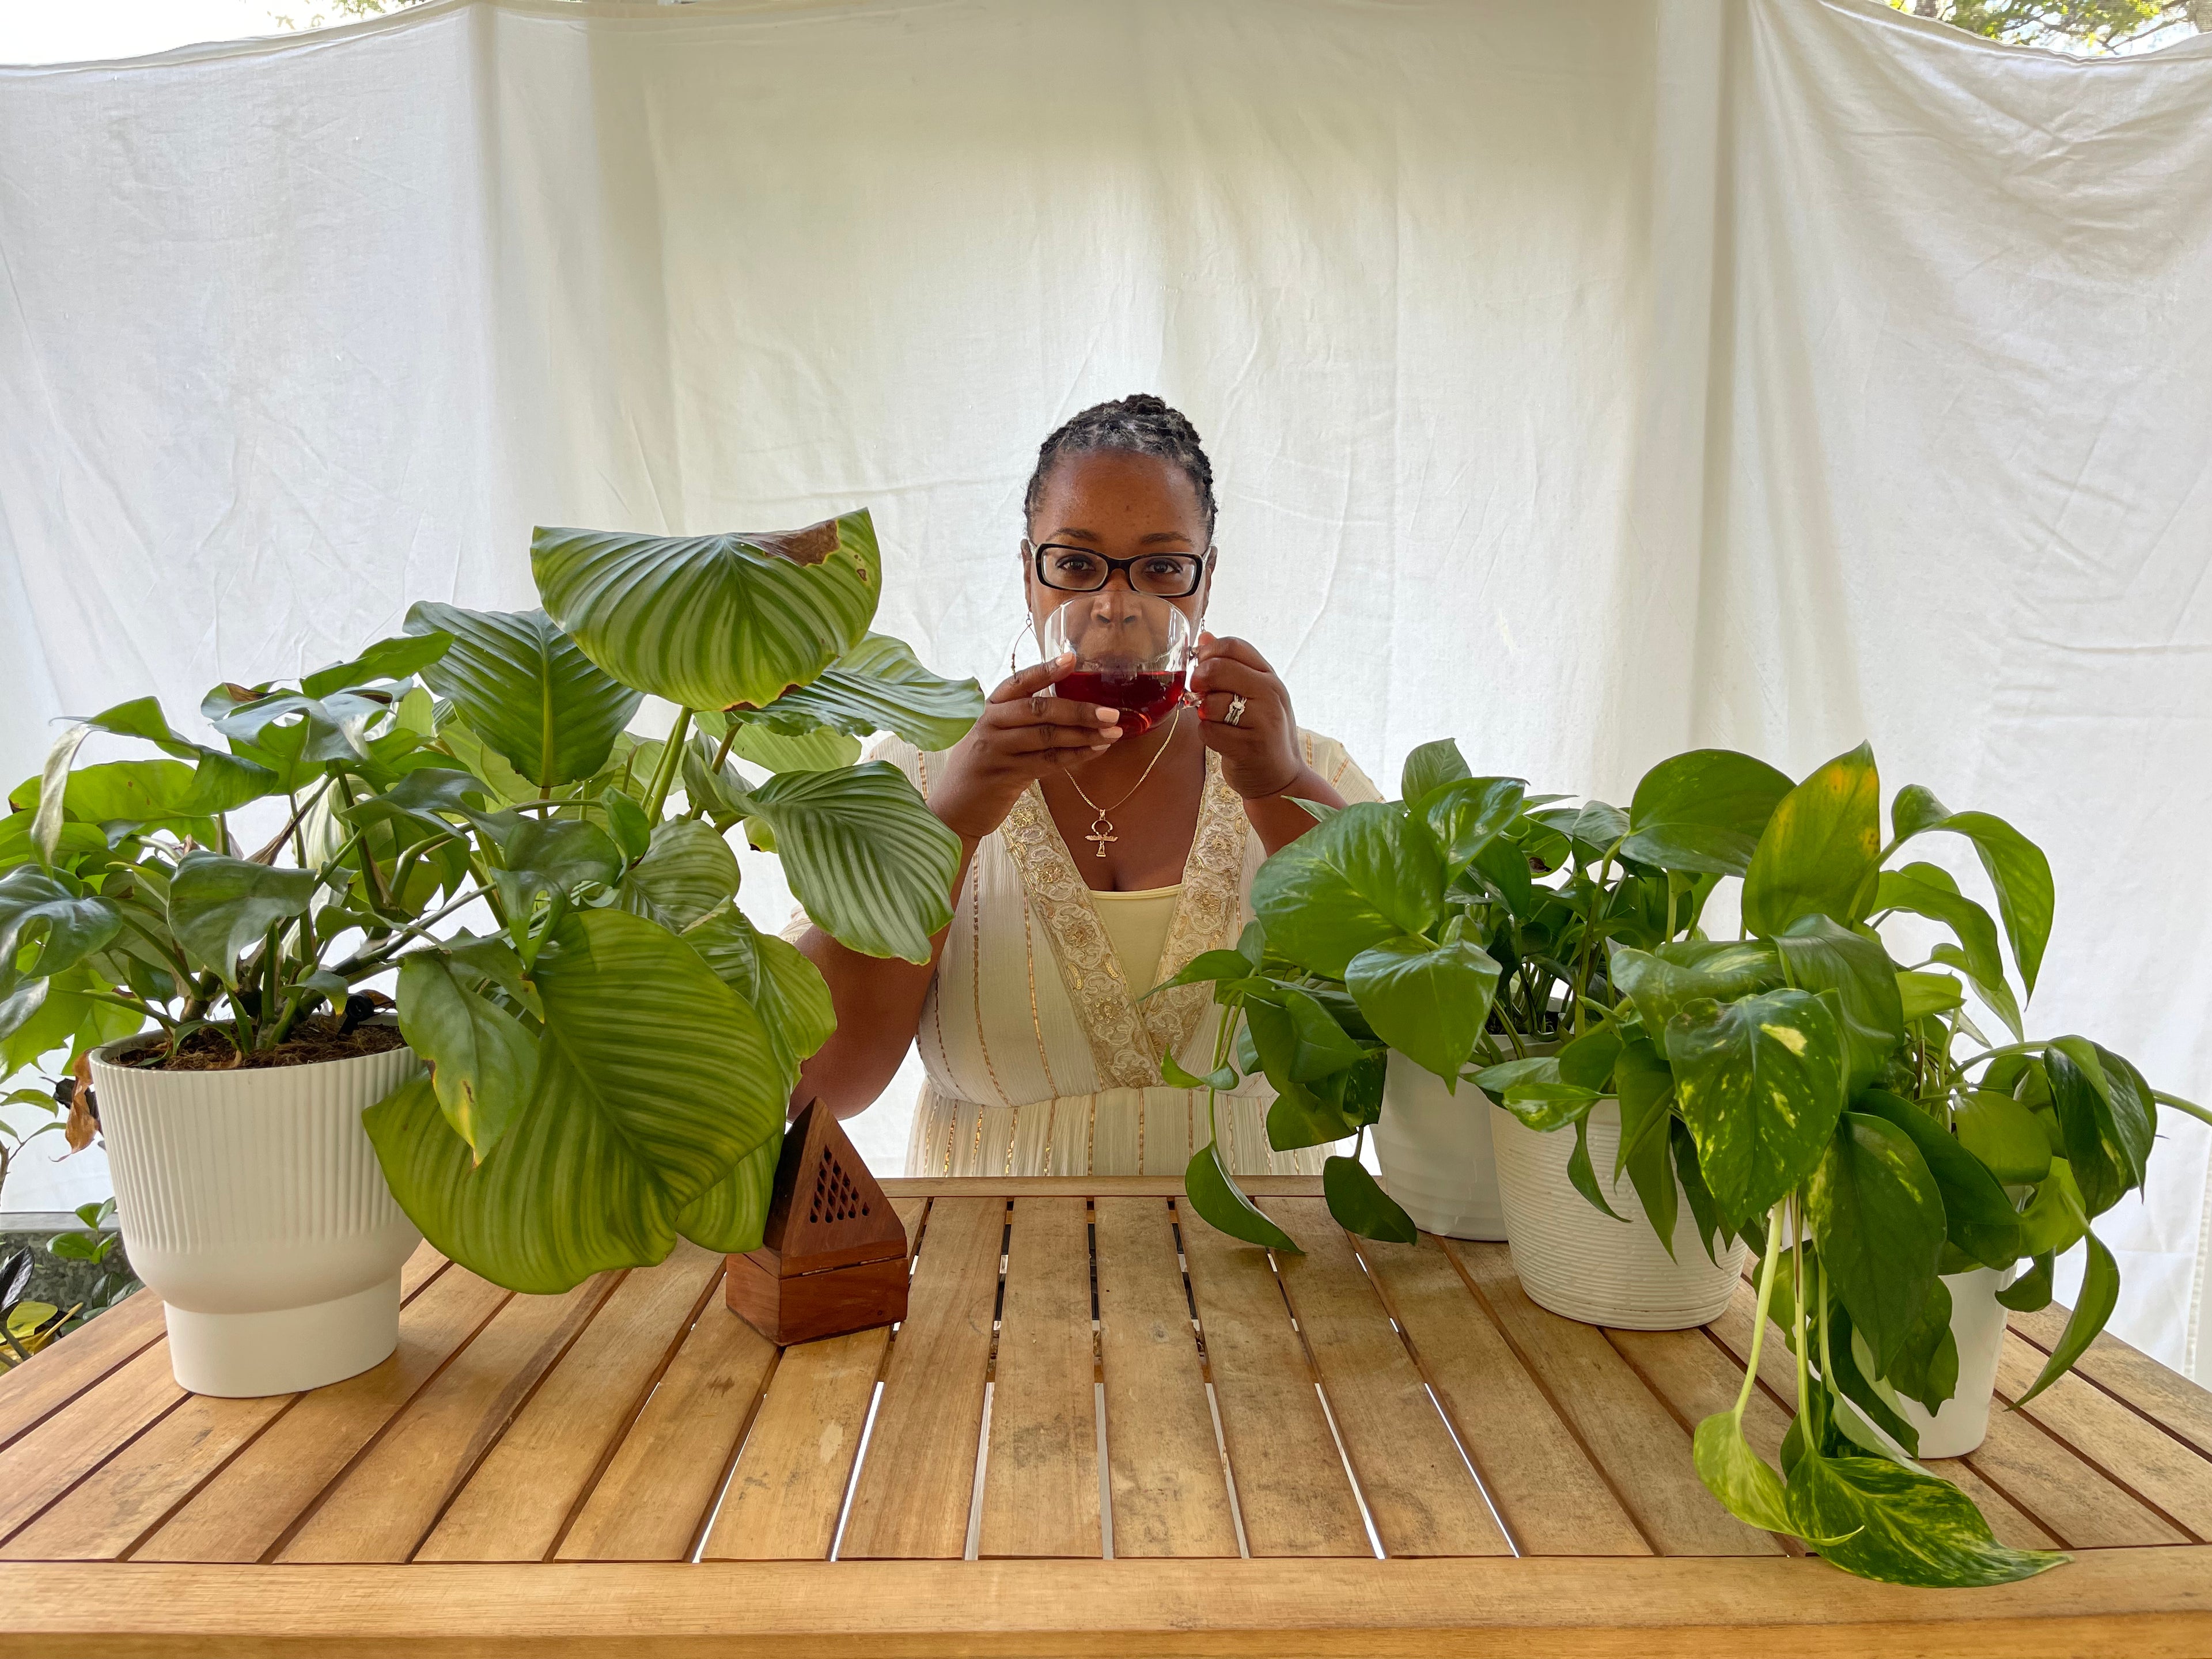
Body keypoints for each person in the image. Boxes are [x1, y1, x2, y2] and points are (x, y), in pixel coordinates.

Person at [790, 395, 1380, 1176]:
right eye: (1075, 564)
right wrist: (948, 828)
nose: (1115, 605)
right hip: (987, 1279)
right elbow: (822, 1083)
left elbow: (1409, 1036)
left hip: (1270, 1278)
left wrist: (1280, 786)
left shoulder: (1307, 771)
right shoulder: (914, 775)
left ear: (1206, 580)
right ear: (1029, 572)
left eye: (1163, 568)